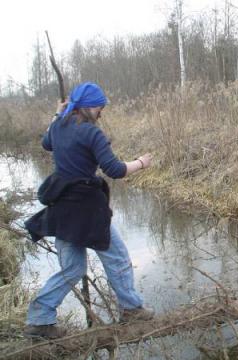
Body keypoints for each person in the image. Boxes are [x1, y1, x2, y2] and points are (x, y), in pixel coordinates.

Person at [24, 82, 154, 339]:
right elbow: (115, 170)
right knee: (117, 257)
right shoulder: (92, 133)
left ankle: (39, 320)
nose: (101, 112)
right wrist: (140, 163)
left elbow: (46, 143)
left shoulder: (59, 126)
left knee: (72, 269)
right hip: (88, 211)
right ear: (87, 107)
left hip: (62, 208)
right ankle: (130, 309)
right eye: (99, 107)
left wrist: (57, 114)